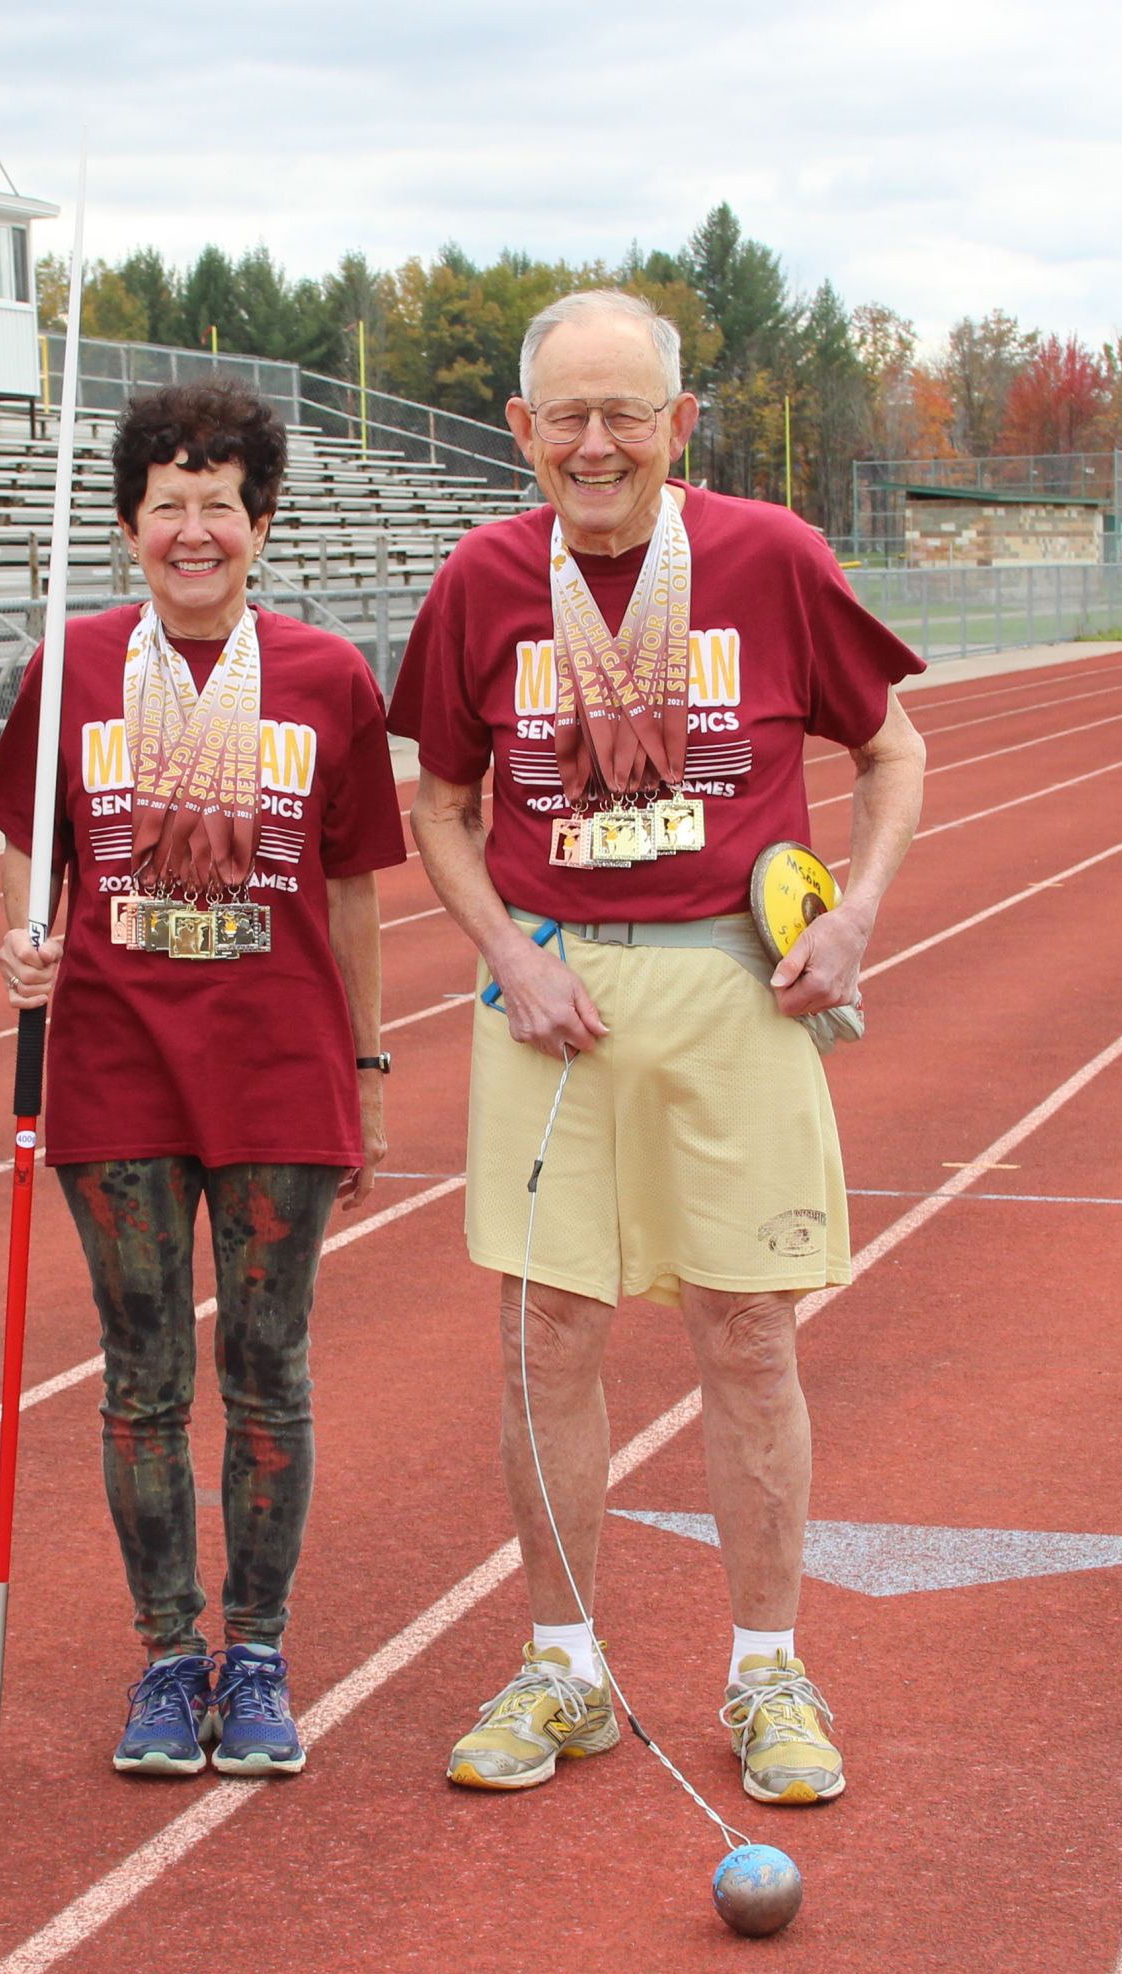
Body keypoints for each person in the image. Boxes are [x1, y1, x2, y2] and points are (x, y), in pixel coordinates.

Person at [387, 288, 927, 1805]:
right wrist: (499, 952)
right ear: (520, 430)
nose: (595, 442)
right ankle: (558, 1666)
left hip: (733, 995)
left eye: (626, 412)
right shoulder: (483, 578)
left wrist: (859, 913)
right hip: (548, 1004)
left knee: (747, 1340)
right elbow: (437, 801)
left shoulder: (767, 556)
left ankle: (768, 1673)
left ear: (681, 425)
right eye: (565, 414)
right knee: (544, 1339)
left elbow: (888, 750)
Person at [0, 380, 407, 1777]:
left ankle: (259, 1652)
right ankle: (169, 1659)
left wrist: (369, 1069)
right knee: (144, 1375)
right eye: (167, 504)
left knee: (269, 1374)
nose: (193, 530)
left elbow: (351, 893)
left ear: (260, 523)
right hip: (115, 1070)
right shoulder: (72, 669)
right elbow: (25, 845)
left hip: (280, 1070)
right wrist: (19, 937)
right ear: (127, 525)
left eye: (218, 503)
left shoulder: (330, 678)